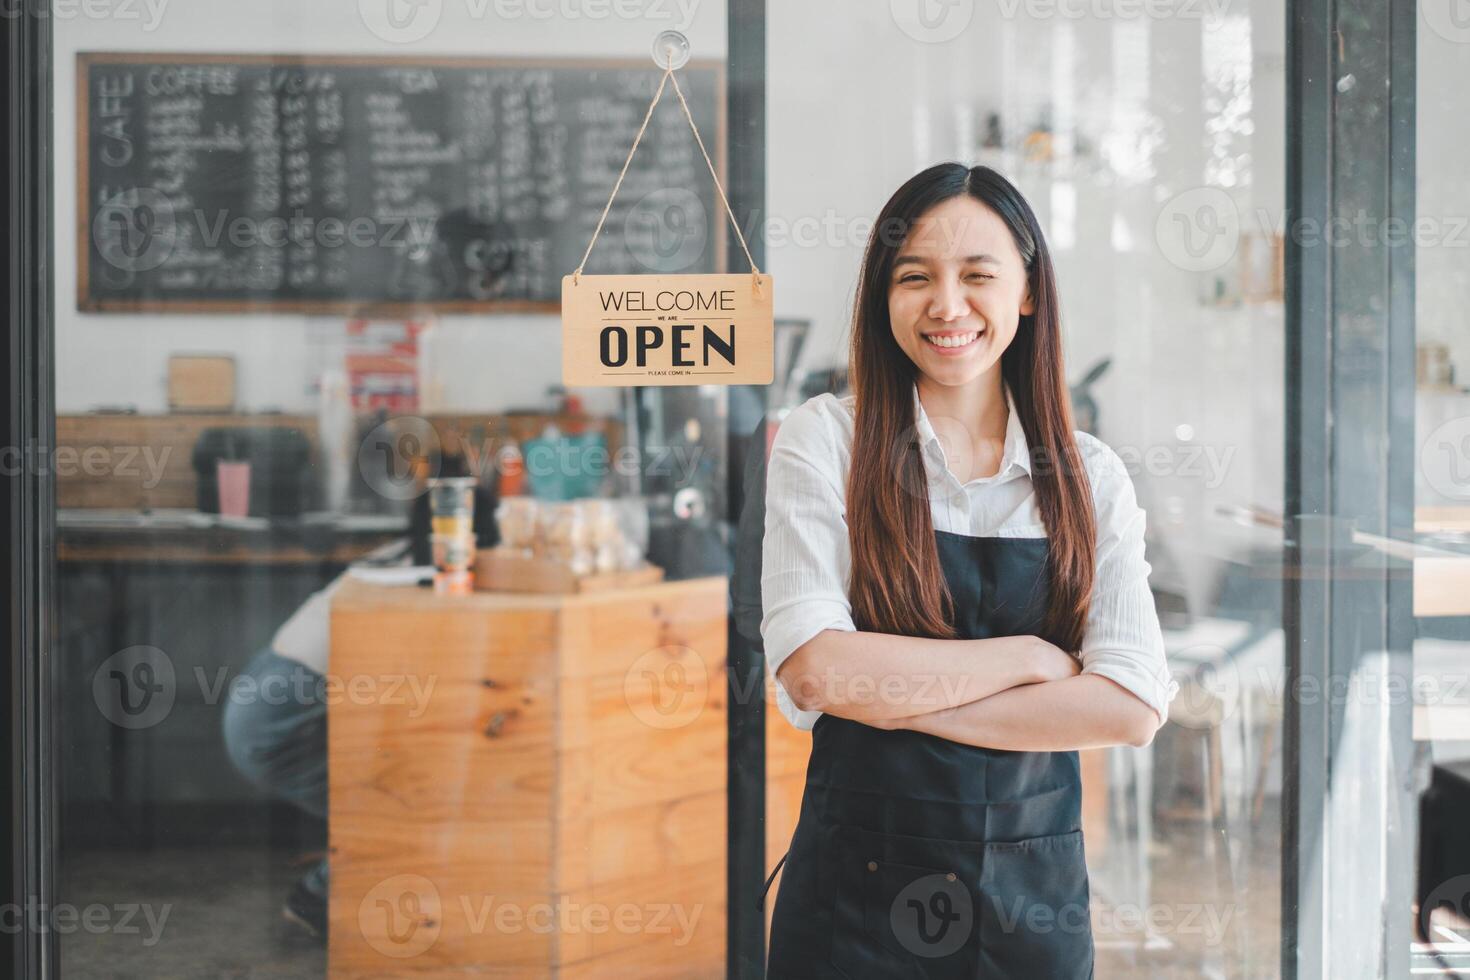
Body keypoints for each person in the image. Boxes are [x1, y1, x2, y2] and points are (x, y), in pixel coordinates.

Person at [760, 163, 1180, 978]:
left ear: (1027, 290)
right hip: (853, 902)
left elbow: (1130, 705)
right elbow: (816, 672)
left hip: (1031, 905)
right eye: (915, 277)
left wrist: (886, 701)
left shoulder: (1090, 477)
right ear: (884, 297)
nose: (946, 305)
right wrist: (1026, 663)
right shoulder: (826, 442)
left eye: (977, 275)